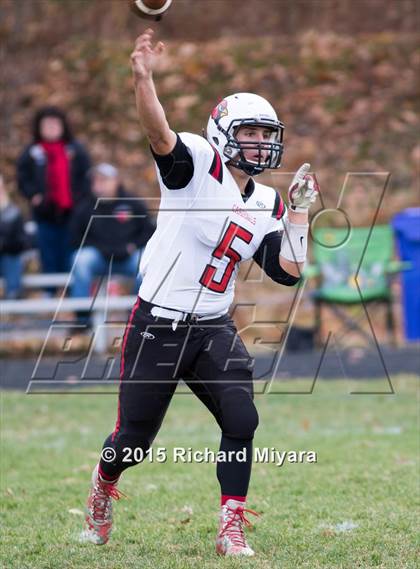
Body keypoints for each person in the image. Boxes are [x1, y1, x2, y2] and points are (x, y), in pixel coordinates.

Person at [80, 29, 319, 557]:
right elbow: (158, 130)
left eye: (266, 133)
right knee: (134, 443)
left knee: (242, 420)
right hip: (158, 324)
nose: (260, 143)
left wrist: (299, 216)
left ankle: (229, 527)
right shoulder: (196, 166)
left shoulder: (267, 201)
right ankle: (102, 483)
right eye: (250, 132)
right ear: (222, 133)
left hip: (212, 326)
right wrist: (143, 79)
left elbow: (286, 272)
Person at [69, 162, 155, 327]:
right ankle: (82, 318)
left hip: (128, 257)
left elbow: (149, 232)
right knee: (80, 259)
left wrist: (132, 245)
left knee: (146, 260)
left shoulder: (133, 204)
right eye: (96, 181)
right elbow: (76, 238)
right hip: (99, 258)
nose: (99, 185)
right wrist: (100, 248)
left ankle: (137, 314)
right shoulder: (84, 208)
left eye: (104, 180)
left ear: (116, 181)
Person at [16, 106, 91, 284]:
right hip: (44, 214)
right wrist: (33, 195)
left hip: (73, 214)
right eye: (47, 124)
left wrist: (79, 200)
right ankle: (49, 294)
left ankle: (72, 298)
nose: (51, 128)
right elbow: (22, 177)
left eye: (55, 124)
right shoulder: (32, 151)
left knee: (71, 254)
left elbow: (86, 177)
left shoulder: (75, 149)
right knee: (47, 254)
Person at [0, 174, 28, 299]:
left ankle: (13, 297)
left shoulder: (14, 213)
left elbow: (22, 242)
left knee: (12, 259)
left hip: (8, 256)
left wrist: (3, 244)